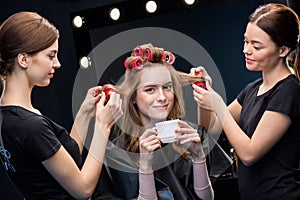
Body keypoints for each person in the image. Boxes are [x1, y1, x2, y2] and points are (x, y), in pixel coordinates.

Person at [0, 11, 123, 199]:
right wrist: (103, 126)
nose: (57, 64)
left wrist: (85, 113)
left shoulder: (11, 118)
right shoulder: (30, 126)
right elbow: (83, 189)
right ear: (23, 59)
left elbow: (66, 162)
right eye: (51, 56)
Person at [192, 3, 300, 200]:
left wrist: (217, 105)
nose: (246, 50)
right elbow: (210, 126)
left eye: (256, 46)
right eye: (245, 42)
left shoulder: (289, 91)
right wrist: (204, 94)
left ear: (283, 50)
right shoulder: (252, 89)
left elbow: (249, 154)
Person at [92, 43, 216, 200]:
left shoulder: (192, 135)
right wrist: (145, 166)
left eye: (167, 87)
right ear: (133, 97)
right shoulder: (118, 152)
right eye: (150, 89)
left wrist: (198, 157)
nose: (162, 97)